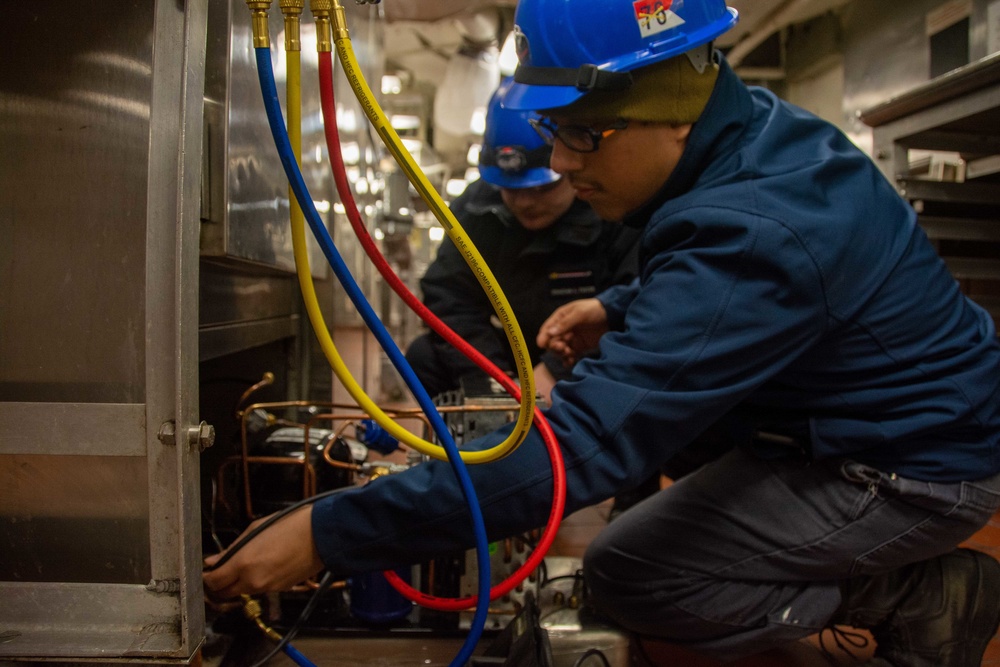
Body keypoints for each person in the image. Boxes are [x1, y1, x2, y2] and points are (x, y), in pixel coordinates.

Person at [204, 1, 1000, 664]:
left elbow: (580, 450)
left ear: (669, 115)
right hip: (850, 424)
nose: (561, 161)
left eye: (583, 133)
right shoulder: (742, 133)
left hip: (910, 466)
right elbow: (748, 276)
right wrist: (620, 307)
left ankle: (919, 594)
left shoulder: (755, 223)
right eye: (555, 128)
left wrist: (329, 531)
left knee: (634, 570)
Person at [404, 76, 641, 404]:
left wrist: (555, 372)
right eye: (511, 190)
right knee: (424, 356)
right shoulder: (477, 210)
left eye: (542, 189)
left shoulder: (612, 209)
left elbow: (639, 304)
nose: (526, 202)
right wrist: (494, 383)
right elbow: (450, 298)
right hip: (506, 358)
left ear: (568, 163)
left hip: (585, 355)